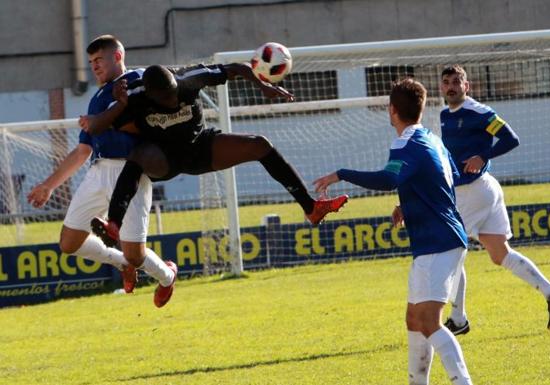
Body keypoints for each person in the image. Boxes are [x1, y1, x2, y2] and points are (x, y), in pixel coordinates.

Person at [84, 62, 348, 249]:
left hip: (201, 147)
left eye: (174, 94)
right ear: (150, 95)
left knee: (260, 145)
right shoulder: (133, 94)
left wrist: (261, 85)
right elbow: (95, 127)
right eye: (165, 99)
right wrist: (120, 106)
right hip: (163, 158)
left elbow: (237, 68)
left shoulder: (189, 77)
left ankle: (311, 208)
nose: (172, 101)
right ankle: (114, 225)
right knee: (139, 153)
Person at [314, 78, 473, 385]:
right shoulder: (431, 138)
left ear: (392, 110)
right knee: (414, 320)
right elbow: (449, 177)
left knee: (429, 321)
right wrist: (407, 202)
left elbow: (388, 179)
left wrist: (341, 174)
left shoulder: (404, 143)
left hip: (437, 242)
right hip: (439, 240)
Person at [28, 35, 177, 308]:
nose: (94, 66)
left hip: (132, 172)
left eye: (99, 60)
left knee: (136, 254)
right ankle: (121, 263)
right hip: (98, 172)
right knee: (68, 243)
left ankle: (167, 277)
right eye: (91, 62)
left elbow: (170, 96)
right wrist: (49, 185)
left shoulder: (140, 81)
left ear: (118, 57)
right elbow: (82, 152)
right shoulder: (96, 98)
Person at [437, 64, 550, 333]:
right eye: (446, 82)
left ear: (467, 86)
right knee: (500, 254)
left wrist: (483, 157)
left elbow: (511, 138)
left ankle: (459, 320)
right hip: (483, 189)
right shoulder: (444, 114)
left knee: (451, 251)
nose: (450, 86)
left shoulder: (479, 111)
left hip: (472, 191)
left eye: (456, 81)